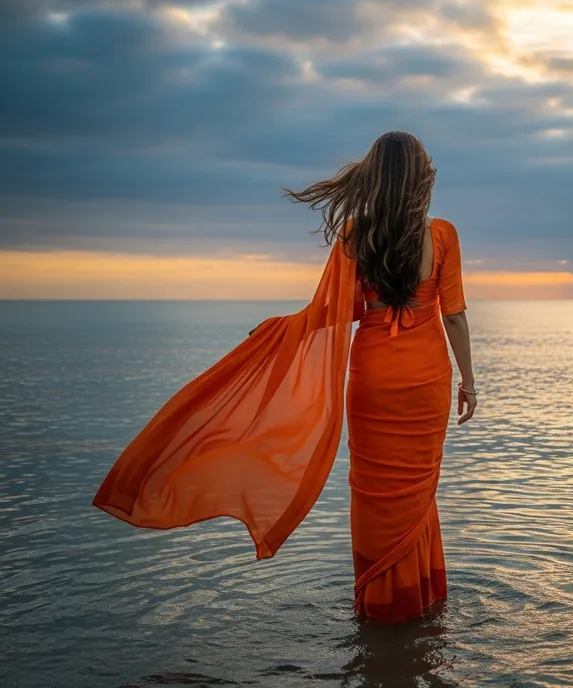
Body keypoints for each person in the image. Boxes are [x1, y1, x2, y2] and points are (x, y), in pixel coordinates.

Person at [92, 130, 477, 624]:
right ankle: (418, 601)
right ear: (421, 177)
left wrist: (281, 330)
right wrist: (469, 383)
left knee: (374, 494)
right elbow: (454, 314)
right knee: (417, 492)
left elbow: (336, 310)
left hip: (372, 379)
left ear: (375, 176)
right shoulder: (442, 234)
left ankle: (382, 606)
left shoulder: (356, 235)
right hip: (426, 381)